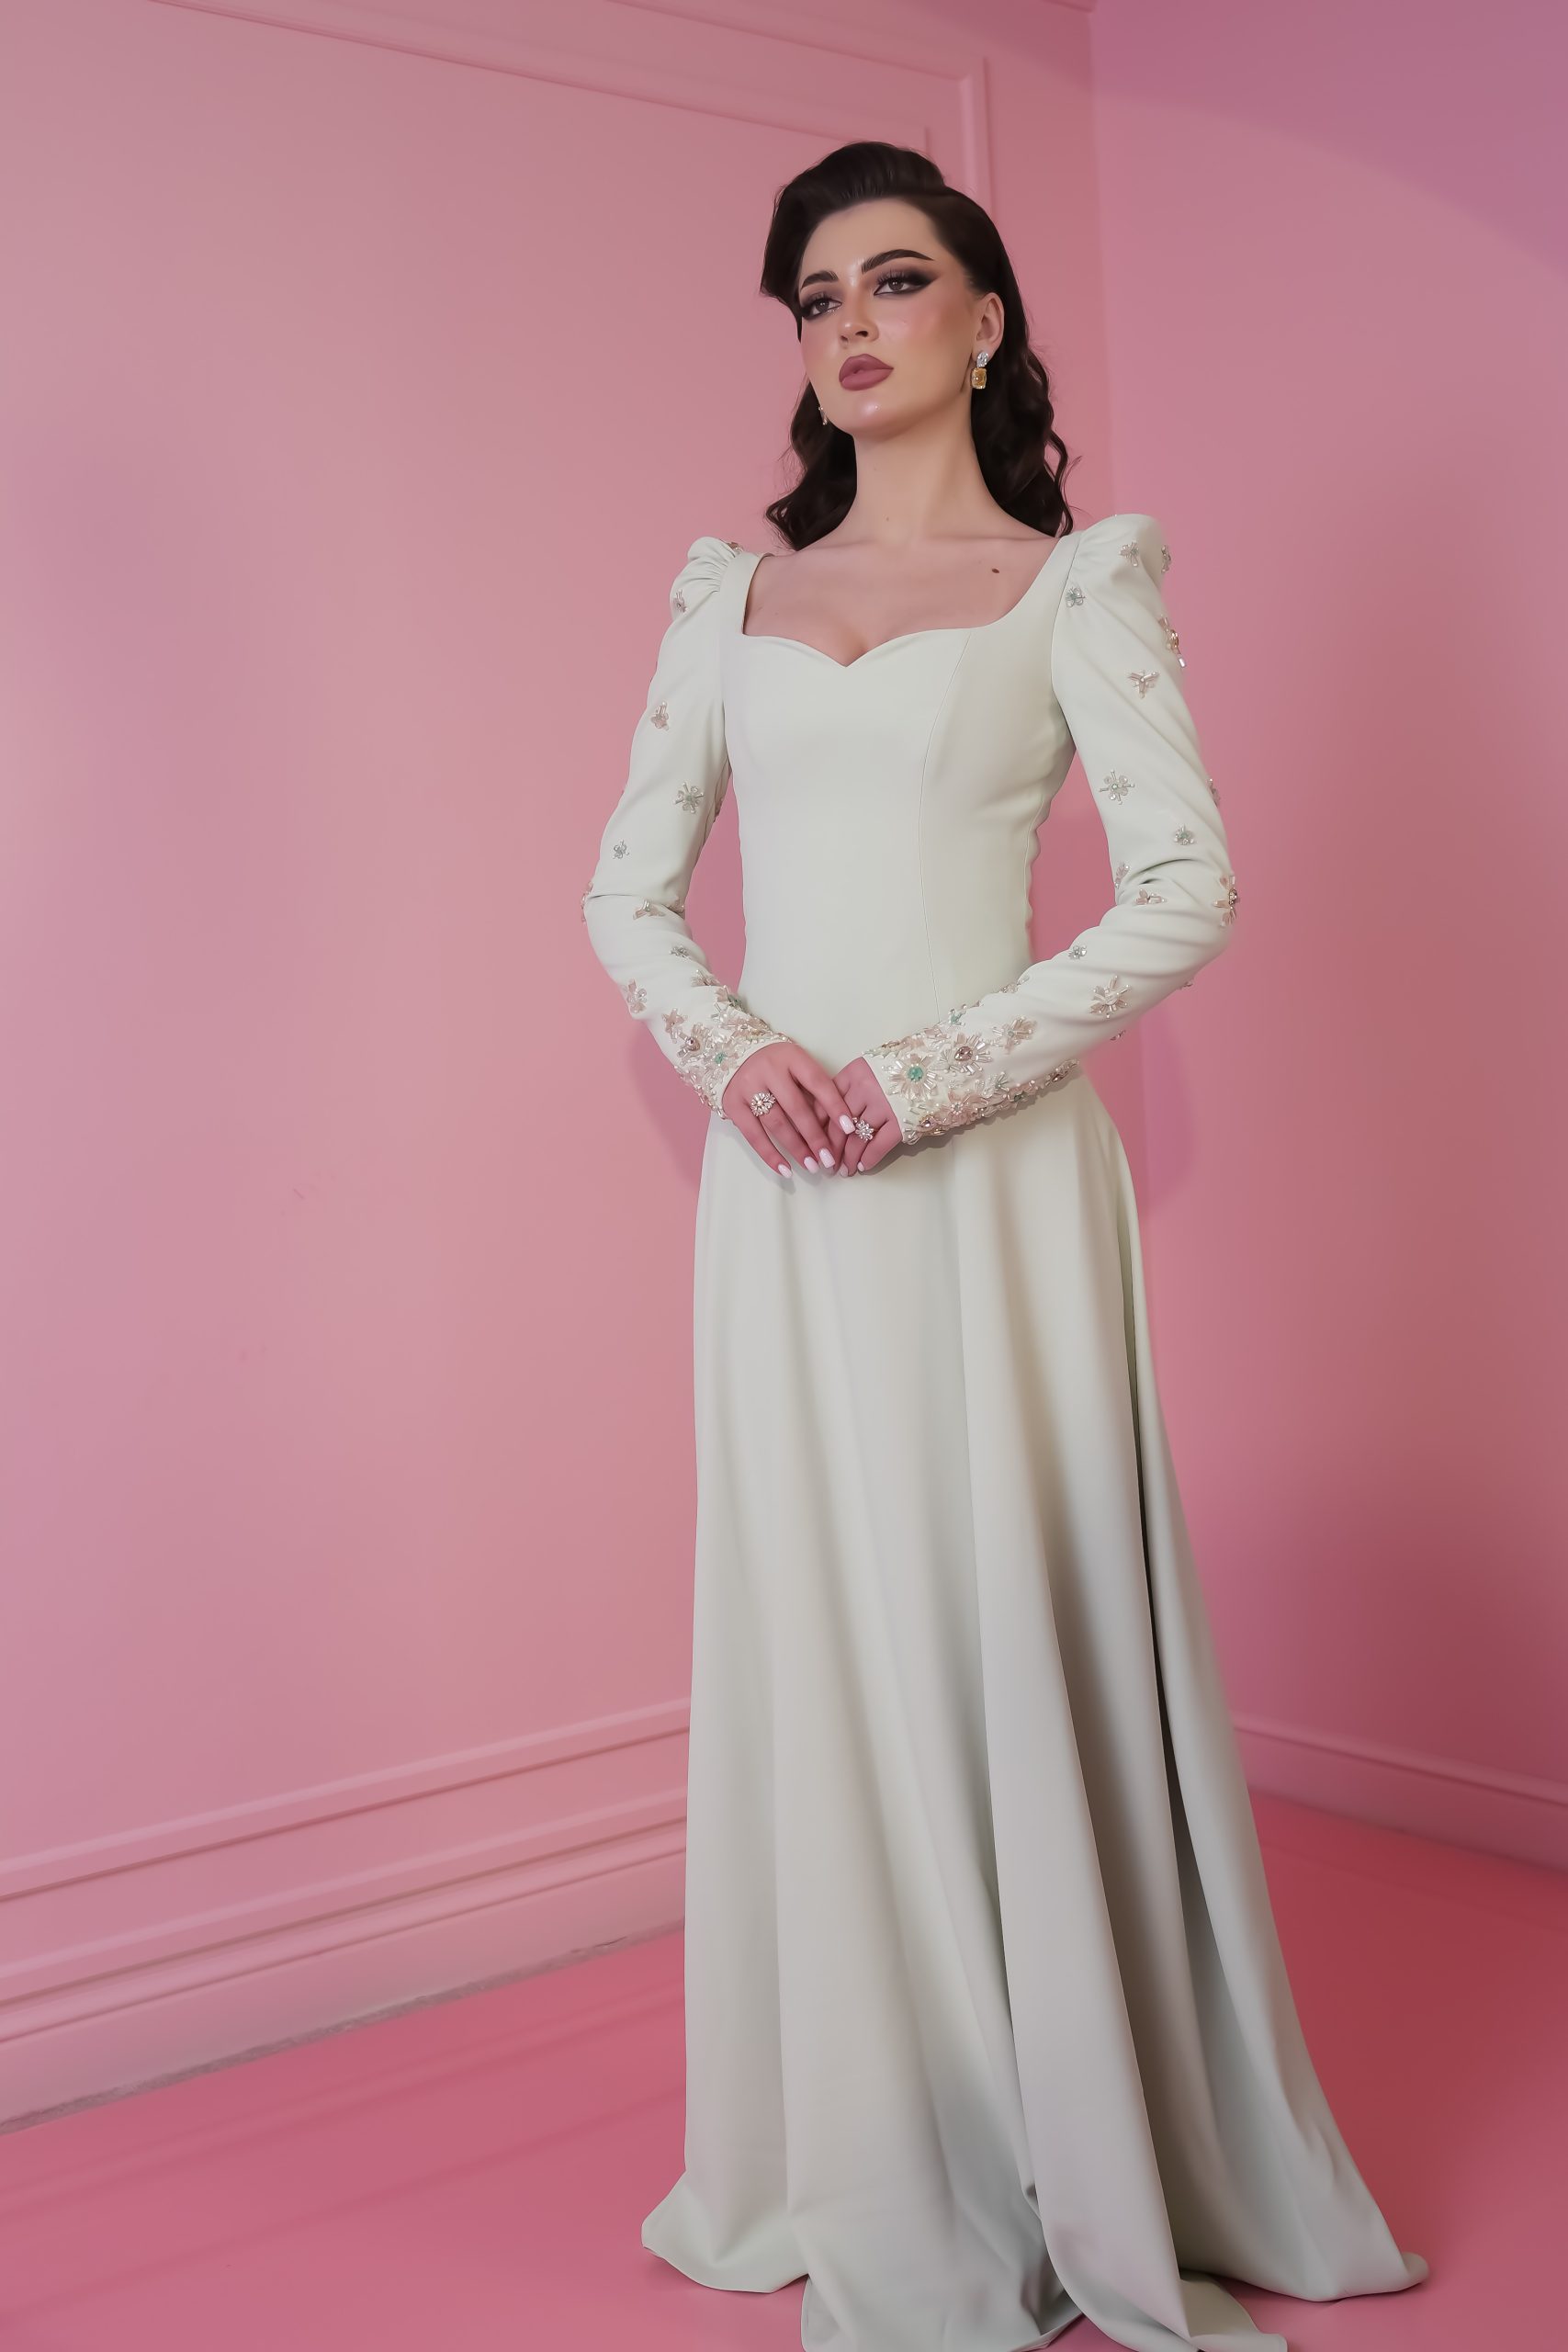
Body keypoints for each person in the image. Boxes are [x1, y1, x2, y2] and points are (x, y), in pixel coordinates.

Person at [581, 141, 1427, 2352]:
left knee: (1003, 1623)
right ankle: (877, 2138)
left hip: (990, 1185)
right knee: (828, 1621)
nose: (845, 324)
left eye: (892, 281)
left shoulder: (1073, 586)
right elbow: (625, 894)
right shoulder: (725, 602)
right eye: (812, 296)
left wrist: (931, 1072)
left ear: (982, 321)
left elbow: (1185, 884)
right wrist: (740, 1055)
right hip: (786, 1197)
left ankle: (1074, 2135)